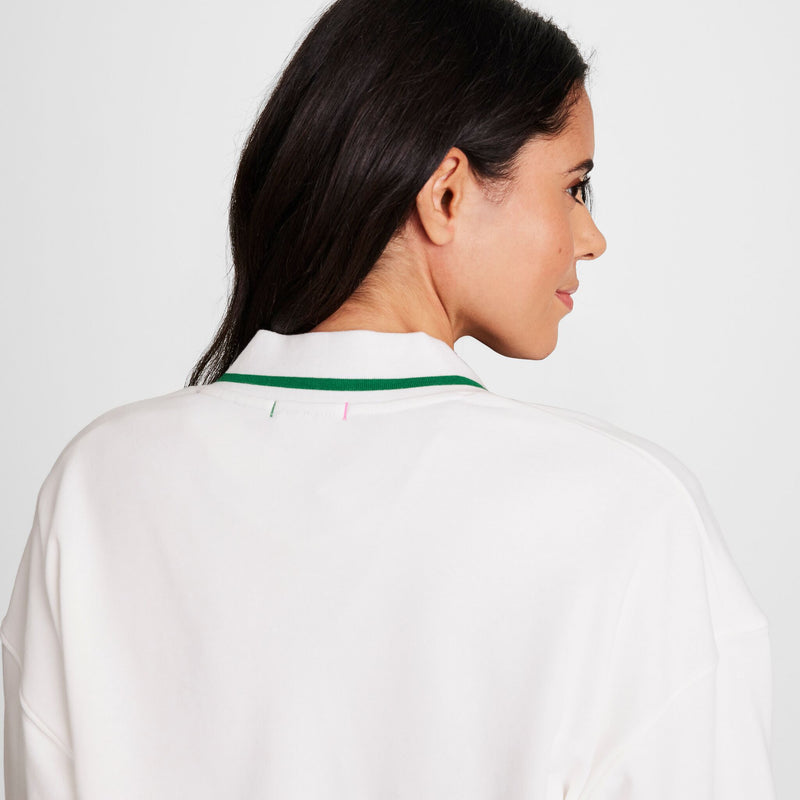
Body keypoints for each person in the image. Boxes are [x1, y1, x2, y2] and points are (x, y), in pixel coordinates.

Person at [2, 0, 775, 798]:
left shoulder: (98, 487)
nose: (592, 236)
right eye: (576, 186)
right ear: (447, 194)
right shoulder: (631, 514)